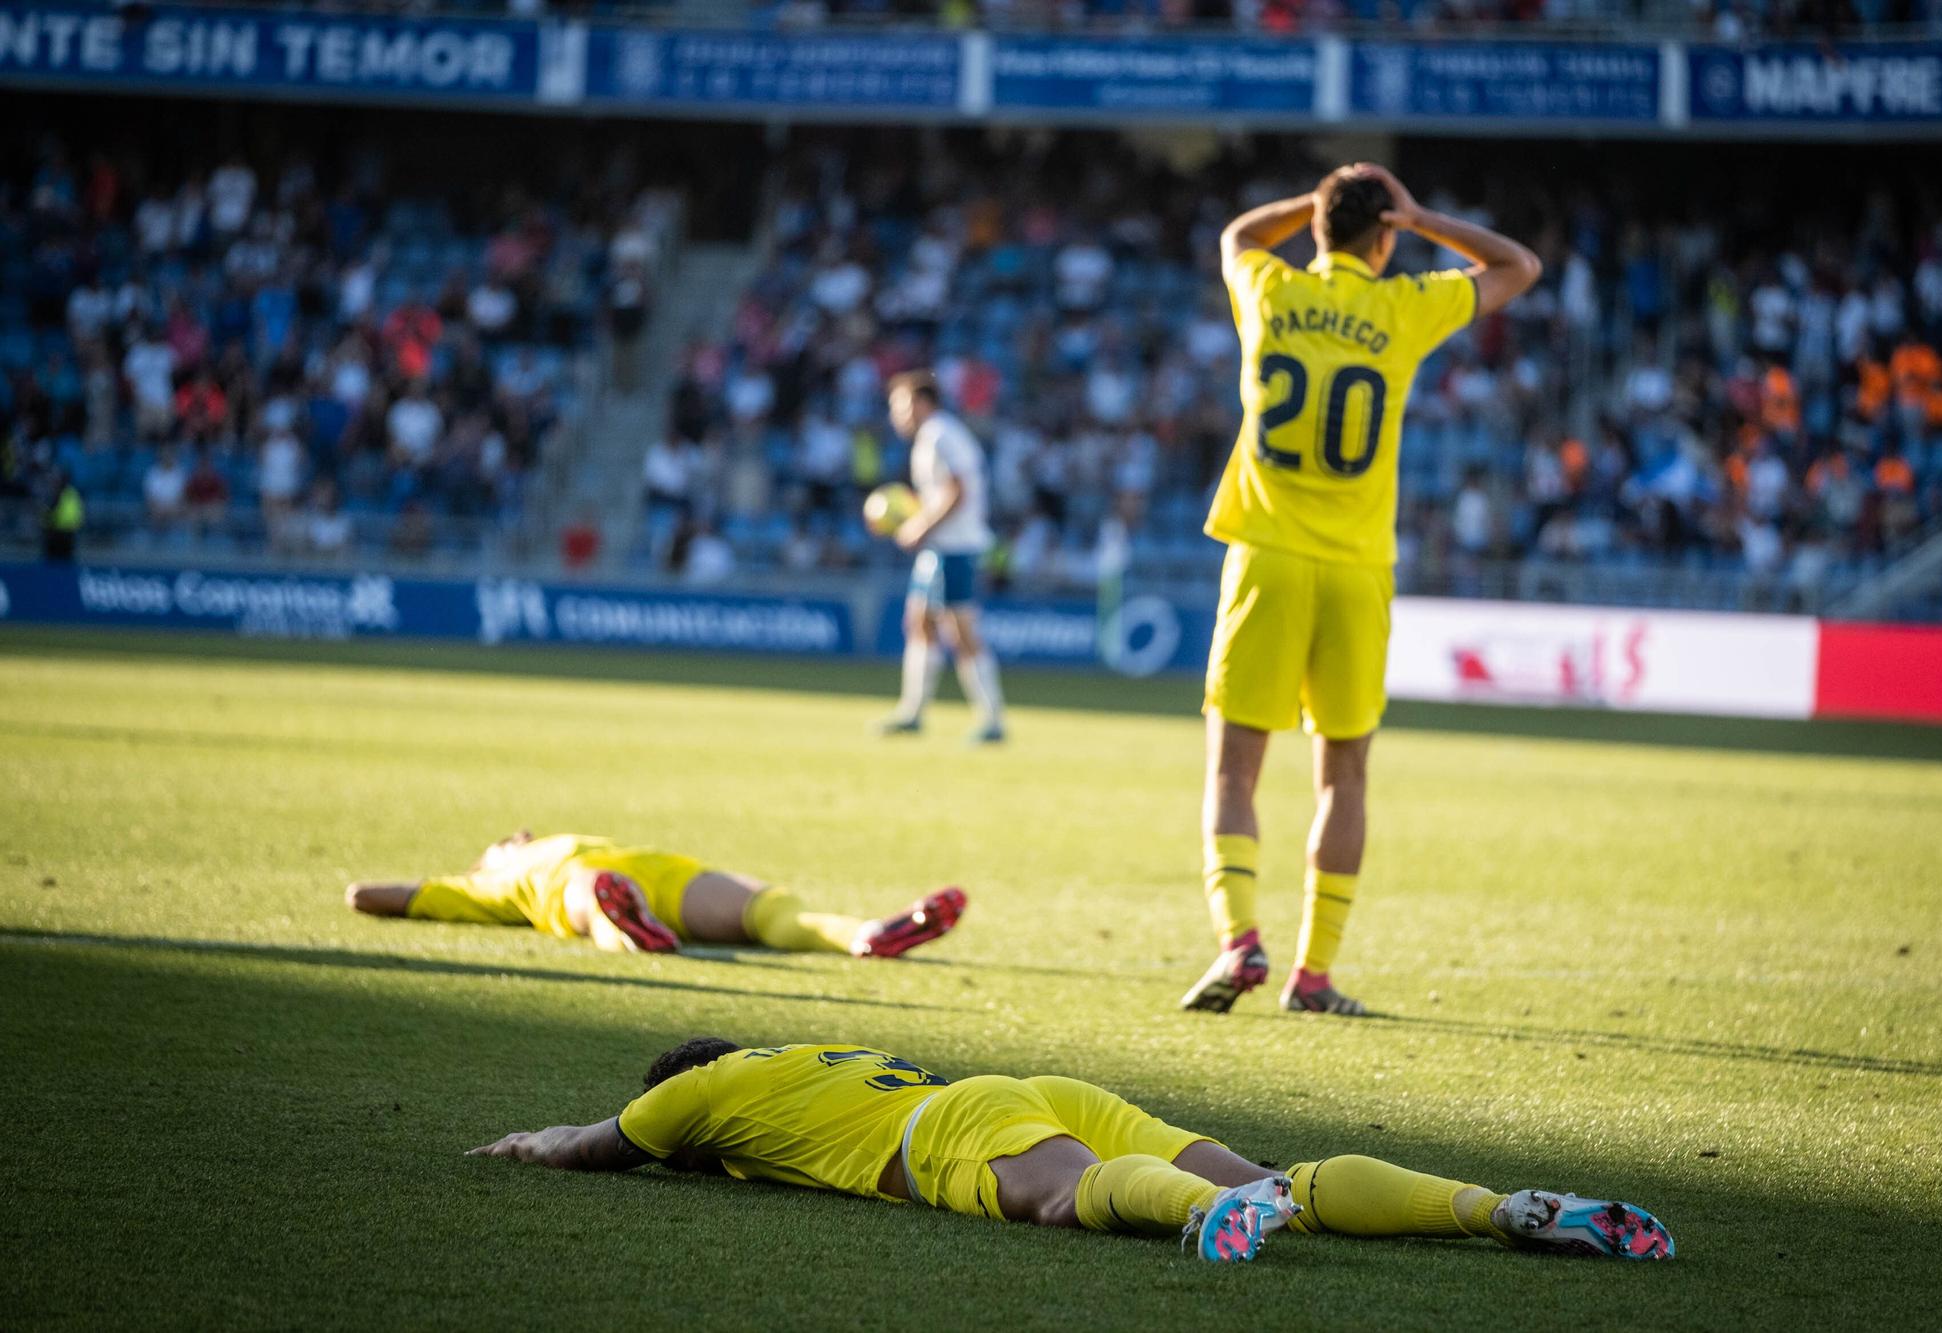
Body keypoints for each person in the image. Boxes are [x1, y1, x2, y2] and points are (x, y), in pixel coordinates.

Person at [1187, 163, 1541, 1017]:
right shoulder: (1403, 305)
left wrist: (1307, 208)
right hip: (1356, 567)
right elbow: (1518, 266)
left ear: (1314, 227)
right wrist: (1423, 220)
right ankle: (1314, 976)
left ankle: (1239, 941)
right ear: (1385, 237)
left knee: (1235, 766)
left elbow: (1237, 234)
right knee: (1343, 773)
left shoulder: (1267, 286)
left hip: (1265, 556)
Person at [468, 1038, 1674, 1266]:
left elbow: (591, 1148)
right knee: (1273, 1176)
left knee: (1068, 1202)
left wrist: (520, 1144)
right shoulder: (807, 1054)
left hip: (939, 1130)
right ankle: (1499, 1207)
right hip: (1019, 1082)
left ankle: (1200, 1223)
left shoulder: (702, 1094)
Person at [345, 830, 964, 960]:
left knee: (768, 906)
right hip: (581, 890)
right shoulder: (486, 884)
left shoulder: (562, 839)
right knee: (597, 901)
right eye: (507, 839)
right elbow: (377, 896)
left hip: (662, 874)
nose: (519, 835)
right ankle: (634, 929)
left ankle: (867, 935)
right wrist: (363, 890)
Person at [875, 370, 1007, 744]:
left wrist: (919, 527)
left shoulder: (939, 436)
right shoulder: (933, 438)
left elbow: (957, 491)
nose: (896, 416)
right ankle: (912, 711)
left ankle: (992, 717)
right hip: (941, 546)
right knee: (920, 621)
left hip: (956, 547)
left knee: (960, 630)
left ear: (921, 403)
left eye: (899, 406)